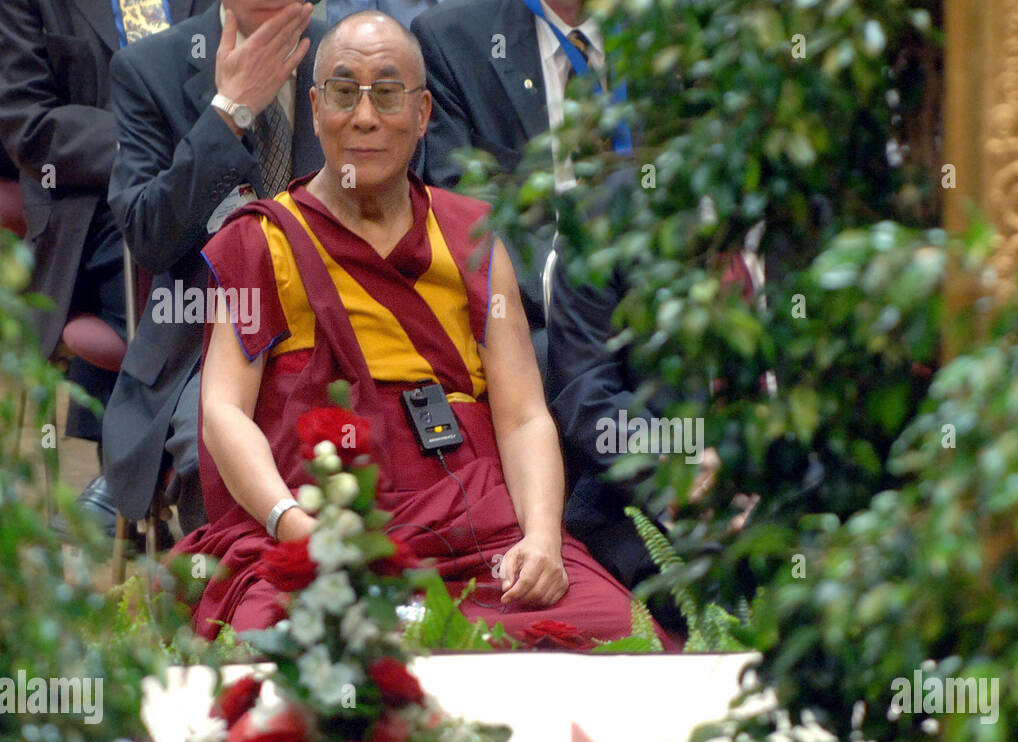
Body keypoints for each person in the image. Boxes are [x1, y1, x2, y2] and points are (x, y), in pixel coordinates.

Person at [174, 11, 673, 649]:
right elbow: (223, 410)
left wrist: (542, 537)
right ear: (315, 105)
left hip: (477, 532)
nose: (365, 117)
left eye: (387, 94)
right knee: (275, 657)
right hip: (324, 523)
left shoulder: (471, 236)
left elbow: (522, 416)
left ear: (423, 112)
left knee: (621, 639)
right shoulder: (260, 238)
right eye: (343, 92)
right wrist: (295, 525)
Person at [103, 1, 325, 536]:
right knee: (216, 451)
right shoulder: (152, 67)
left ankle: (362, 602)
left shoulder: (348, 54)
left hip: (339, 322)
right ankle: (232, 607)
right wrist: (229, 113)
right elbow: (149, 237)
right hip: (199, 338)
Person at [0, 0, 216, 533]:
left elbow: (229, 82)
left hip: (204, 176)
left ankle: (134, 476)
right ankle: (154, 471)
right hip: (85, 201)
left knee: (240, 252)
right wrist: (146, 133)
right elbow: (27, 122)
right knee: (171, 256)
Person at [412, 0, 620, 375]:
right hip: (537, 311)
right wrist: (574, 291)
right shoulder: (453, 40)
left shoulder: (668, 37)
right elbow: (463, 209)